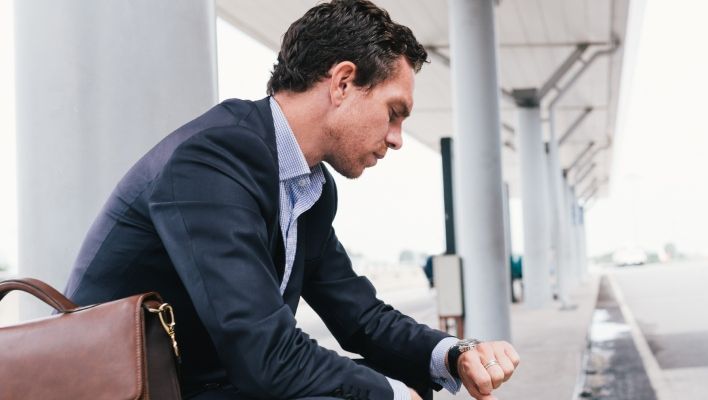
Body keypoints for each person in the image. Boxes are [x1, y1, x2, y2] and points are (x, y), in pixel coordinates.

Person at [62, 1, 518, 399]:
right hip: (132, 389)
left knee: (398, 380)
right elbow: (264, 352)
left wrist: (455, 354)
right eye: (393, 113)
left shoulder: (310, 187)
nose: (397, 139)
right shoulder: (215, 158)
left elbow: (361, 317)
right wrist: (391, 395)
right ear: (342, 82)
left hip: (207, 382)